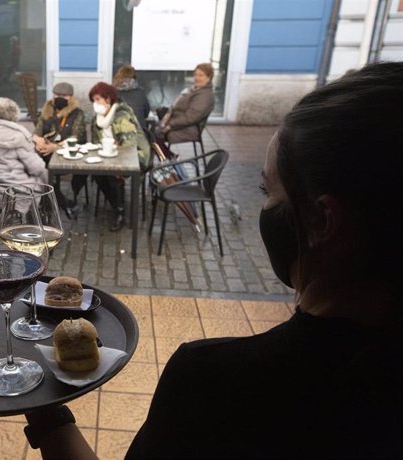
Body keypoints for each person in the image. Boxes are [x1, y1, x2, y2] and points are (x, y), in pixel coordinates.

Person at [22, 62, 403, 459]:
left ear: (322, 221)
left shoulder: (217, 381)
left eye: (267, 190)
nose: (264, 206)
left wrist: (45, 413)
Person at [88, 82, 151, 232]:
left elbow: (130, 145)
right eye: (93, 100)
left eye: (98, 99)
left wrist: (115, 155)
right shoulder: (97, 119)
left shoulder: (122, 115)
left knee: (113, 175)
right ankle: (117, 204)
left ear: (108, 99)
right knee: (96, 173)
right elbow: (96, 143)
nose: (95, 104)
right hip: (109, 155)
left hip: (136, 156)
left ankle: (120, 213)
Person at [33, 82, 87, 216]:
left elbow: (77, 137)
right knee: (39, 171)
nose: (61, 98)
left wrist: (55, 147)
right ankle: (61, 203)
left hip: (68, 154)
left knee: (44, 175)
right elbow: (36, 133)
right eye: (57, 95)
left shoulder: (77, 113)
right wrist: (38, 140)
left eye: (65, 96)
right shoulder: (47, 110)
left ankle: (57, 201)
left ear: (71, 97)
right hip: (45, 152)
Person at [0, 97, 48, 191]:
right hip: (18, 193)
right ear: (14, 114)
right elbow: (37, 168)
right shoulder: (17, 136)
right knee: (45, 179)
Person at [156, 62, 215, 157]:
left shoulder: (205, 96)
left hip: (188, 130)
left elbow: (190, 118)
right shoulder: (194, 89)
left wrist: (169, 124)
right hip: (179, 124)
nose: (197, 78)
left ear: (209, 77)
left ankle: (170, 160)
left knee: (151, 136)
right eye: (195, 75)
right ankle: (169, 158)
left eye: (201, 75)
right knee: (148, 132)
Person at [113, 64, 151, 138]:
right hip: (140, 135)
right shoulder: (140, 92)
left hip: (118, 135)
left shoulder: (113, 92)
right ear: (134, 78)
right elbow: (146, 113)